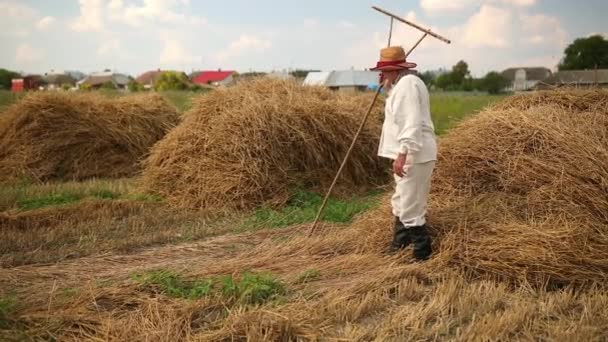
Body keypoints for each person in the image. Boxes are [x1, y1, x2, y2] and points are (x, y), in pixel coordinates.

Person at [370, 46, 437, 261]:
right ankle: (399, 245)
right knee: (401, 200)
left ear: (395, 69)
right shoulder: (404, 85)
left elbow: (411, 120)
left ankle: (422, 254)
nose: (383, 76)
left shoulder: (408, 85)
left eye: (385, 71)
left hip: (414, 153)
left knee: (410, 206)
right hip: (412, 153)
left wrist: (403, 154)